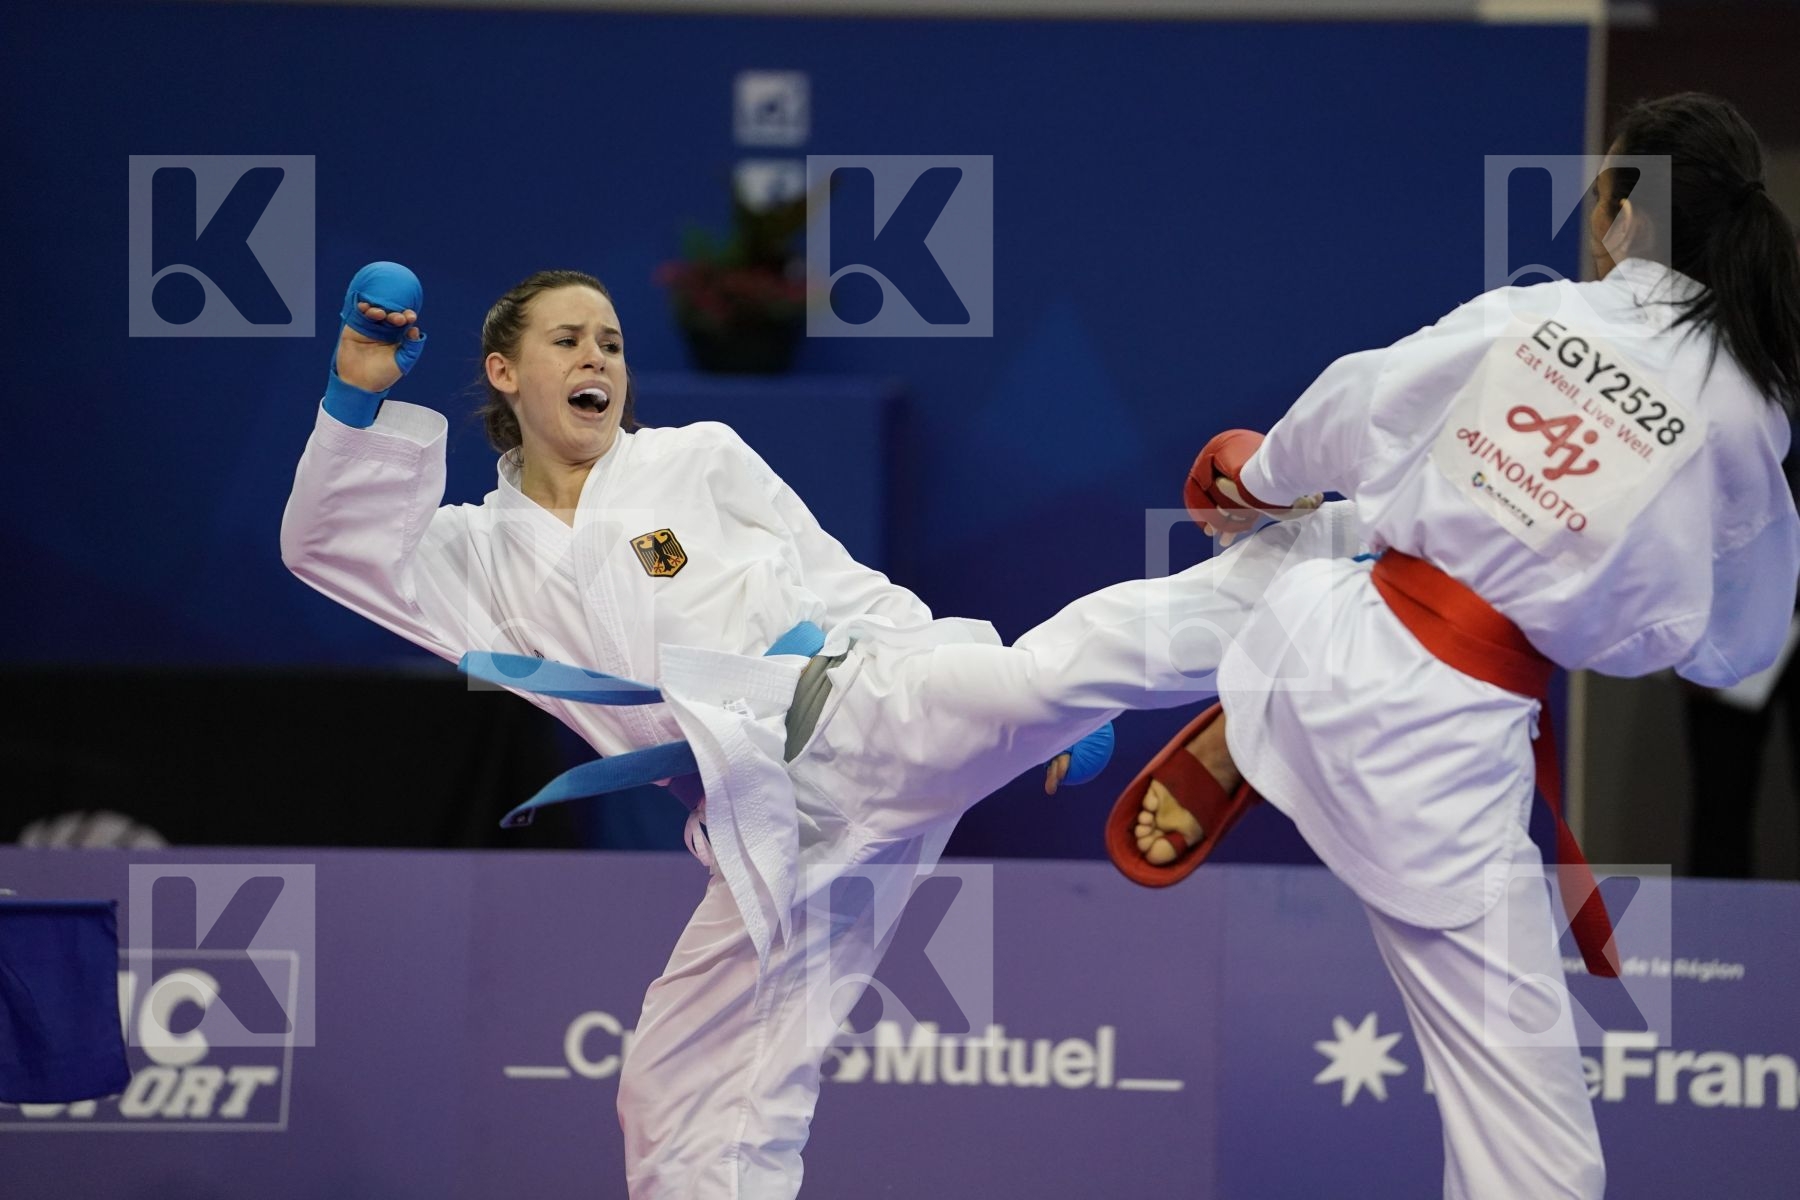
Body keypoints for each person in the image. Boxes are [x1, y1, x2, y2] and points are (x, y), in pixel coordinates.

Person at [281, 262, 1331, 1198]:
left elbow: (848, 588)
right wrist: (359, 382)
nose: (599, 356)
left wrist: (1010, 703)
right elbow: (329, 550)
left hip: (855, 709)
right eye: (568, 340)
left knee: (1050, 670)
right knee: (677, 1092)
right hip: (759, 830)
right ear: (506, 374)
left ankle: (1312, 575)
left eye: (611, 340)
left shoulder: (696, 459)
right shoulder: (477, 556)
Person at [1110, 92, 1800, 1199]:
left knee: (1269, 565)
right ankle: (1264, 699)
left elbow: (1362, 399)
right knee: (1537, 1153)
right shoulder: (1751, 415)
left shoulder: (1541, 318)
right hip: (1452, 748)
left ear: (1626, 212)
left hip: (1342, 619)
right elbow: (1743, 645)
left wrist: (1258, 473)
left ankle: (1250, 700)